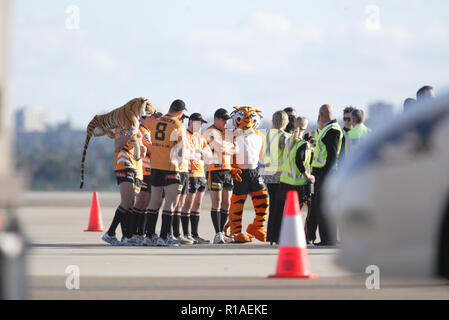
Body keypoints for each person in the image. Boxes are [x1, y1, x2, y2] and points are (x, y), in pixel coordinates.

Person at [145, 99, 188, 247]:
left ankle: (149, 236)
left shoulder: (156, 122)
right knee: (170, 203)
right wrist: (182, 166)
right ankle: (164, 237)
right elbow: (181, 150)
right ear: (181, 112)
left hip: (155, 166)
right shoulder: (178, 125)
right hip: (171, 167)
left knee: (154, 201)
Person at [271, 117, 315, 245]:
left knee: (283, 211)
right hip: (298, 183)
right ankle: (298, 237)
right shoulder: (303, 144)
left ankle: (278, 237)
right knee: (297, 213)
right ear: (305, 128)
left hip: (285, 181)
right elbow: (299, 163)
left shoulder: (289, 139)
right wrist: (308, 176)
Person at [310, 104, 343, 246]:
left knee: (324, 206)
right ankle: (326, 238)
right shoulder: (329, 129)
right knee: (321, 206)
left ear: (321, 115)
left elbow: (332, 155)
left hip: (326, 173)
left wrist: (327, 175)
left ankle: (328, 239)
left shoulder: (332, 130)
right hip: (322, 173)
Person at [102, 124, 140, 246]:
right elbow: (117, 146)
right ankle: (110, 233)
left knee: (130, 202)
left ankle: (126, 236)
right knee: (126, 201)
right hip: (123, 165)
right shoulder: (122, 128)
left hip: (132, 165)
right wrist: (130, 133)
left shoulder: (137, 128)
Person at [204, 108, 237, 244]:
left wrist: (226, 147)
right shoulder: (209, 131)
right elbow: (217, 147)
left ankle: (222, 232)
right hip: (215, 170)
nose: (225, 122)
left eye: (227, 120)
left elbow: (237, 149)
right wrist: (226, 147)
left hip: (227, 170)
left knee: (226, 203)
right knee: (216, 202)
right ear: (216, 119)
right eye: (223, 120)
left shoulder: (228, 132)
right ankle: (217, 233)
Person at [180, 113, 212, 244]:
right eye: (199, 123)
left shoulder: (200, 137)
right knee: (187, 205)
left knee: (197, 205)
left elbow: (209, 154)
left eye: (202, 124)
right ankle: (186, 234)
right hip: (190, 174)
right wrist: (197, 153)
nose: (201, 126)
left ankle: (195, 234)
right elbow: (185, 153)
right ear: (191, 122)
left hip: (200, 174)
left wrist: (199, 153)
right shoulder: (185, 135)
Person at [262, 110, 291, 244]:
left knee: (273, 205)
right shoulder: (283, 136)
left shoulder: (268, 135)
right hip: (280, 174)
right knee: (280, 207)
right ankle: (278, 236)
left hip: (268, 173)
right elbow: (287, 155)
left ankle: (271, 236)